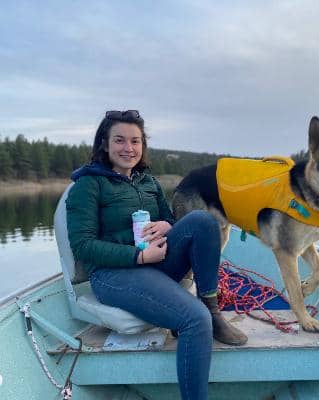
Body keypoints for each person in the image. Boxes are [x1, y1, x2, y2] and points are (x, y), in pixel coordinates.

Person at [66, 110, 247, 400]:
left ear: (143, 145)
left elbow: (171, 221)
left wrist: (168, 225)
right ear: (104, 144)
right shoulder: (88, 185)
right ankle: (201, 321)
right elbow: (83, 246)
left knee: (203, 221)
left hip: (156, 262)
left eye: (135, 141)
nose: (128, 148)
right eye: (120, 140)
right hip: (113, 275)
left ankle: (212, 309)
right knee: (194, 319)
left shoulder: (147, 182)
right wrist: (138, 257)